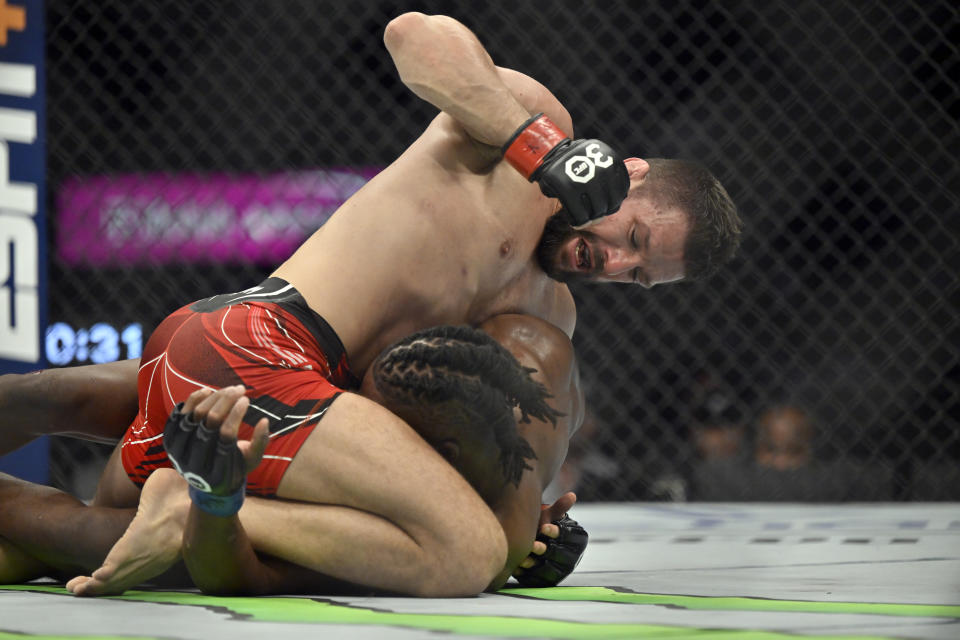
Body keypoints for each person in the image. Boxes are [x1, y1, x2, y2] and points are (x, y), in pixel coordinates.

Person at [1, 11, 739, 596]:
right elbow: (414, 36)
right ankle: (191, 505)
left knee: (87, 541)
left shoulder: (549, 316)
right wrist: (539, 147)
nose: (613, 262)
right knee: (462, 554)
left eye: (638, 275)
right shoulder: (525, 141)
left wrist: (531, 534)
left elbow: (442, 437)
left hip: (279, 399)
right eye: (632, 235)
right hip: (262, 342)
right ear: (628, 173)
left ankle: (107, 513)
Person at [0, 315, 584, 594]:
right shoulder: (456, 497)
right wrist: (520, 547)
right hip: (268, 369)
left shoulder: (515, 383)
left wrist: (217, 504)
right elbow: (499, 548)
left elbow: (243, 573)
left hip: (223, 338)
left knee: (61, 408)